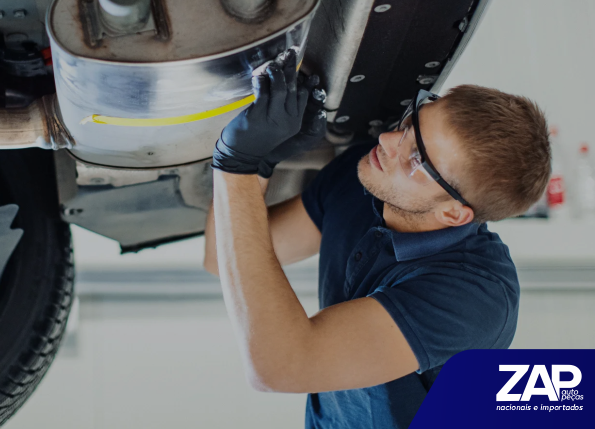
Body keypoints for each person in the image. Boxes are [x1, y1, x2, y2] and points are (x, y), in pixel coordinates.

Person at [203, 49, 551, 428]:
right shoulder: (363, 180)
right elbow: (221, 258)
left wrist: (236, 165)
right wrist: (259, 164)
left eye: (417, 159)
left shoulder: (474, 295)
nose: (387, 140)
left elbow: (281, 367)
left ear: (454, 213)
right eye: (408, 126)